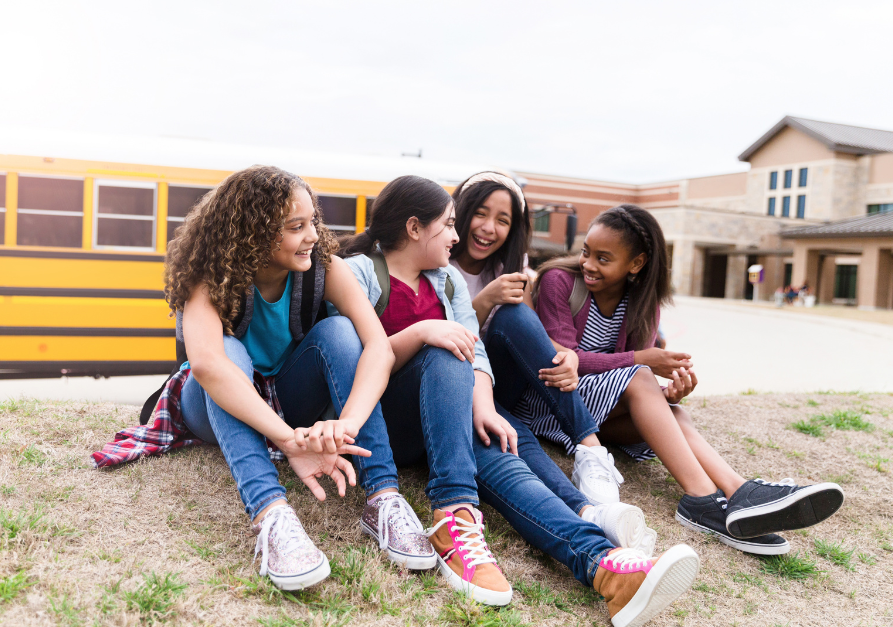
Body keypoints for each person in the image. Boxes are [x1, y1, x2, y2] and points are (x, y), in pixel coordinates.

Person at [336, 175, 700, 624]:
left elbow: (480, 351)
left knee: (504, 445)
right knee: (449, 349)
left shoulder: (446, 279)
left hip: (449, 418)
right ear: (414, 228)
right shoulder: (355, 273)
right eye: (449, 225)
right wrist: (425, 332)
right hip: (388, 423)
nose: (457, 234)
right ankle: (454, 515)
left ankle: (605, 568)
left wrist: (485, 407)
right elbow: (349, 364)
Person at [97, 166, 440, 591]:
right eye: (296, 226)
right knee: (229, 352)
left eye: (312, 221)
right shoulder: (209, 276)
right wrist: (287, 440)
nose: (312, 235)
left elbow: (378, 346)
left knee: (339, 332)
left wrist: (347, 424)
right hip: (209, 403)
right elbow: (207, 367)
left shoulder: (323, 267)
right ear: (252, 233)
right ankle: (270, 514)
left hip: (285, 396)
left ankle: (383, 497)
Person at [530, 204, 845, 555]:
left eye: (604, 258)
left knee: (674, 410)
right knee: (642, 376)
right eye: (587, 252)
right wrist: (639, 359)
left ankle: (738, 493)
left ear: (636, 264)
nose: (588, 264)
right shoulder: (560, 282)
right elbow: (559, 357)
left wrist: (671, 394)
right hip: (557, 403)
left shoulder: (643, 302)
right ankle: (701, 497)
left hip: (602, 415)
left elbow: (634, 385)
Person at [448, 172, 656, 554]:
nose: (489, 228)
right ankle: (589, 512)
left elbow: (523, 334)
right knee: (513, 434)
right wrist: (483, 301)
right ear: (458, 213)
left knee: (515, 317)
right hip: (451, 382)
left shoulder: (510, 268)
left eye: (503, 220)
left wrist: (566, 356)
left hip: (494, 383)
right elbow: (444, 341)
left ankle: (588, 446)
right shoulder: (437, 258)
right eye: (480, 213)